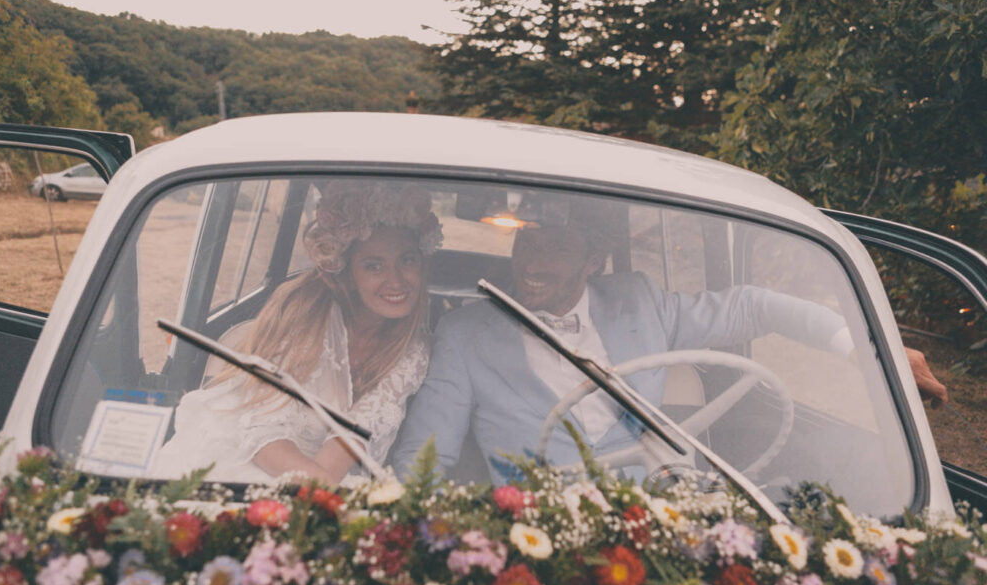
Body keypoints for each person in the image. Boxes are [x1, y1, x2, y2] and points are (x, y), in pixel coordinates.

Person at [391, 196, 947, 484]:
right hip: (540, 538)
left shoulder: (638, 302)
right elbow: (424, 459)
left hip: (668, 512)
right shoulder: (465, 335)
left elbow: (754, 305)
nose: (533, 264)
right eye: (528, 245)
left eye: (555, 249)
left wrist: (869, 346)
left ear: (592, 261)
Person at [154, 180, 442, 485]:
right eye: (374, 266)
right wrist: (320, 492)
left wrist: (319, 495)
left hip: (319, 480)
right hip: (236, 460)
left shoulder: (412, 348)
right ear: (346, 271)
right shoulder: (304, 309)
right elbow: (261, 432)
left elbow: (347, 446)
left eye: (407, 260)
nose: (396, 281)